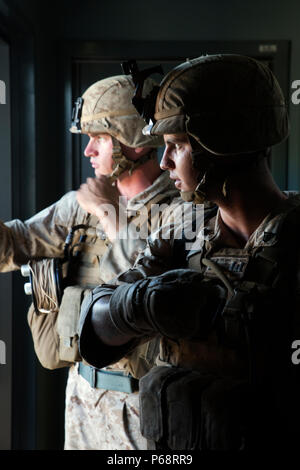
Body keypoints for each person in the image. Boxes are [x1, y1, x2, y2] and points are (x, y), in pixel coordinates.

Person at [78, 54, 300, 450]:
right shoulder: (184, 227)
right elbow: (94, 328)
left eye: (176, 146)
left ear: (223, 144)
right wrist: (139, 306)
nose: (163, 163)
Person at [0, 74, 180, 450]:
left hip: (146, 406)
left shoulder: (184, 208)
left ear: (132, 141)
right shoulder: (79, 203)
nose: (88, 151)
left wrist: (109, 213)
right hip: (82, 397)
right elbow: (18, 244)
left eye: (99, 138)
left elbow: (151, 283)